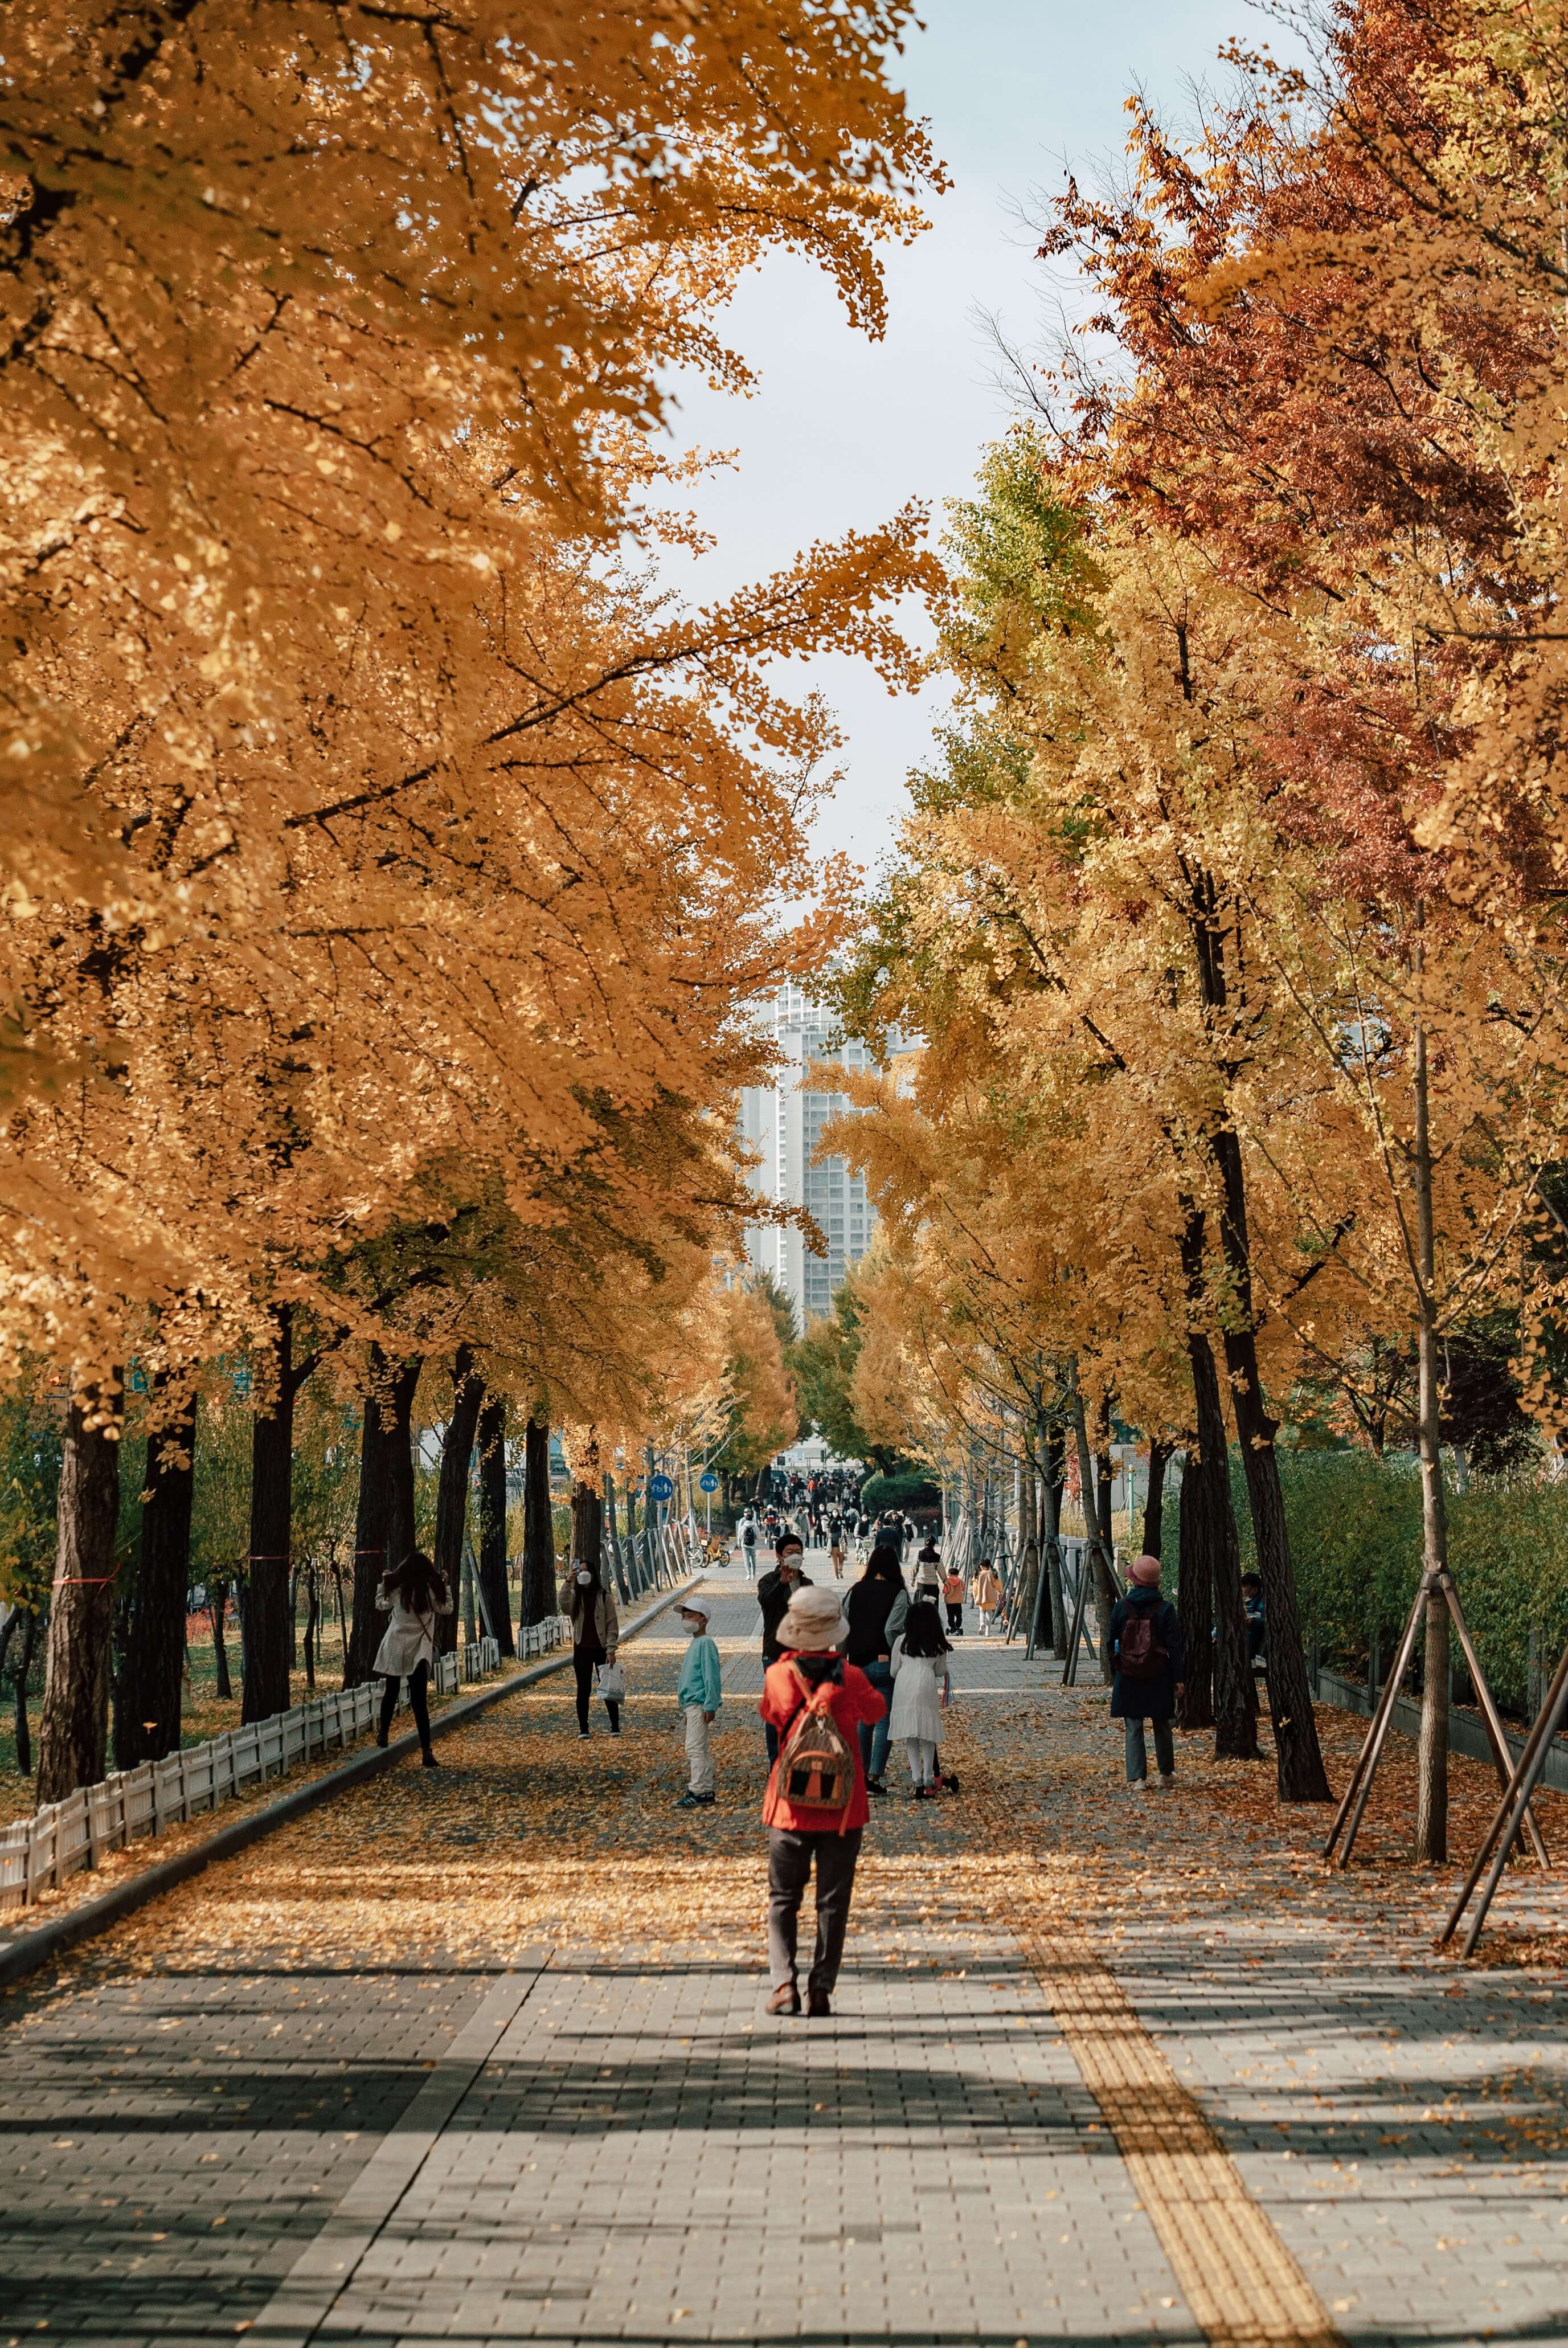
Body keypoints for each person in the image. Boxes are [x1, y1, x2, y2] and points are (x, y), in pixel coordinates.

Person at [759, 1583, 886, 2017]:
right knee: (833, 1902)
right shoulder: (851, 1678)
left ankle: (783, 1986)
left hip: (789, 1808)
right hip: (843, 1810)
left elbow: (771, 1716)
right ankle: (821, 1989)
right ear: (834, 1631)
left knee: (782, 1899)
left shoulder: (777, 1675)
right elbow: (875, 1713)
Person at [1110, 1553, 1185, 1792]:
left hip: (1129, 1674)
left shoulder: (1121, 1607)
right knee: (1162, 1724)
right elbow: (1175, 1646)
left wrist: (1117, 1667)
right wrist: (1179, 1678)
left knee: (1134, 1726)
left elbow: (1110, 1640)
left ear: (1135, 1581)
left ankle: (1137, 1779)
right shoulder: (1166, 1609)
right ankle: (1165, 1774)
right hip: (1158, 1674)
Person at [374, 1549, 451, 1766]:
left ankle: (383, 1735)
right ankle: (426, 1751)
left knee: (391, 1692)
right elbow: (448, 1608)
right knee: (420, 1703)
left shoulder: (399, 1592)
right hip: (419, 1651)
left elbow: (379, 1603)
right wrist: (445, 1585)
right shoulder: (430, 1593)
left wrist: (383, 1582)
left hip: (395, 1647)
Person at [843, 1543, 904, 1795]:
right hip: (883, 1664)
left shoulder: (855, 1591)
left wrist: (842, 1657)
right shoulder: (897, 1593)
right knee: (883, 1722)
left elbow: (842, 1625)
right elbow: (892, 1629)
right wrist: (893, 1652)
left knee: (863, 1722)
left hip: (856, 1664)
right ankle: (874, 1777)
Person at [756, 1535, 812, 1762]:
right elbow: (766, 1604)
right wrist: (782, 1583)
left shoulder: (807, 1583)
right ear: (779, 1556)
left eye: (798, 1550)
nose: (795, 1555)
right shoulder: (768, 1581)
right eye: (790, 1551)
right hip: (776, 1654)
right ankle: (776, 1762)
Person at [889, 1598, 952, 1798]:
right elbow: (941, 1671)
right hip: (926, 1683)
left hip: (904, 1682)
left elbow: (893, 1670)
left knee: (910, 1733)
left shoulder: (902, 1641)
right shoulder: (937, 1642)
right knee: (928, 1732)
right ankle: (928, 1776)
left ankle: (916, 1779)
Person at [559, 1553, 621, 1738]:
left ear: (593, 1574)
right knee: (583, 1689)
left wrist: (611, 1649)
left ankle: (615, 1725)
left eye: (586, 1571)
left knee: (608, 1687)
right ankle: (584, 1729)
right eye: (581, 1571)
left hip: (601, 1650)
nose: (583, 1575)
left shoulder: (604, 1596)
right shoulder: (575, 1596)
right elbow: (563, 1605)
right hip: (582, 1650)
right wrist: (568, 1581)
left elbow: (612, 1623)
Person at [675, 1596, 722, 1808]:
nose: (686, 1620)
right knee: (699, 1747)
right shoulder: (697, 1643)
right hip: (692, 1705)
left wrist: (710, 1704)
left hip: (699, 1703)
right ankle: (704, 1788)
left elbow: (711, 1676)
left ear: (703, 1619)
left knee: (694, 1748)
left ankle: (699, 1790)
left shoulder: (706, 1644)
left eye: (691, 1616)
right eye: (684, 1616)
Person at [971, 1557, 1002, 1637]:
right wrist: (999, 1591)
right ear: (989, 1565)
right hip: (991, 1598)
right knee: (989, 1615)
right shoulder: (993, 1574)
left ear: (981, 1566)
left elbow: (975, 1588)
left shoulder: (978, 1575)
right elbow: (999, 1586)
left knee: (982, 1613)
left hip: (981, 1598)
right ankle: (988, 1632)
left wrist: (975, 1597)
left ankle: (982, 1624)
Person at [1241, 1572, 1267, 1664]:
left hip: (1257, 1651)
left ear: (1255, 1590)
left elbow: (1269, 1623)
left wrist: (1253, 1622)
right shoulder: (1242, 1602)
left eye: (1244, 1586)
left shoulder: (1263, 1603)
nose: (1241, 1589)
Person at [941, 1560, 967, 1637]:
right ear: (958, 1574)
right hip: (958, 1601)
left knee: (951, 1615)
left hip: (949, 1602)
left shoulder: (947, 1582)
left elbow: (945, 1591)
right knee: (959, 1615)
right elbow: (964, 1588)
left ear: (949, 1574)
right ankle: (958, 1626)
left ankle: (952, 1627)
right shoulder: (961, 1581)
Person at [739, 1508, 760, 1581]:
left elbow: (739, 1535)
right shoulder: (755, 1526)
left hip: (744, 1545)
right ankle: (754, 1574)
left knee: (746, 1560)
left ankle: (748, 1574)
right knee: (753, 1560)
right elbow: (758, 1537)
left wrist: (739, 1543)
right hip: (753, 1545)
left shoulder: (743, 1527)